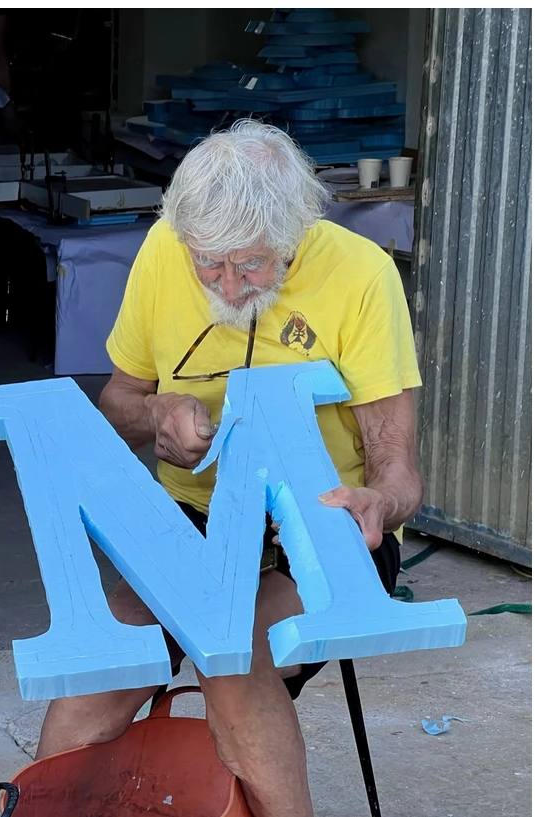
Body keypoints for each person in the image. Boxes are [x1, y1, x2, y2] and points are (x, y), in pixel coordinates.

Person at [34, 119, 422, 817]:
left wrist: (376, 503)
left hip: (319, 533)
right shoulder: (162, 248)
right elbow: (116, 400)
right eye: (207, 264)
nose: (227, 283)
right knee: (95, 673)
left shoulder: (361, 273)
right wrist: (155, 417)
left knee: (231, 650)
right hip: (189, 524)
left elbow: (398, 474)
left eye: (250, 265)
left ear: (296, 230)